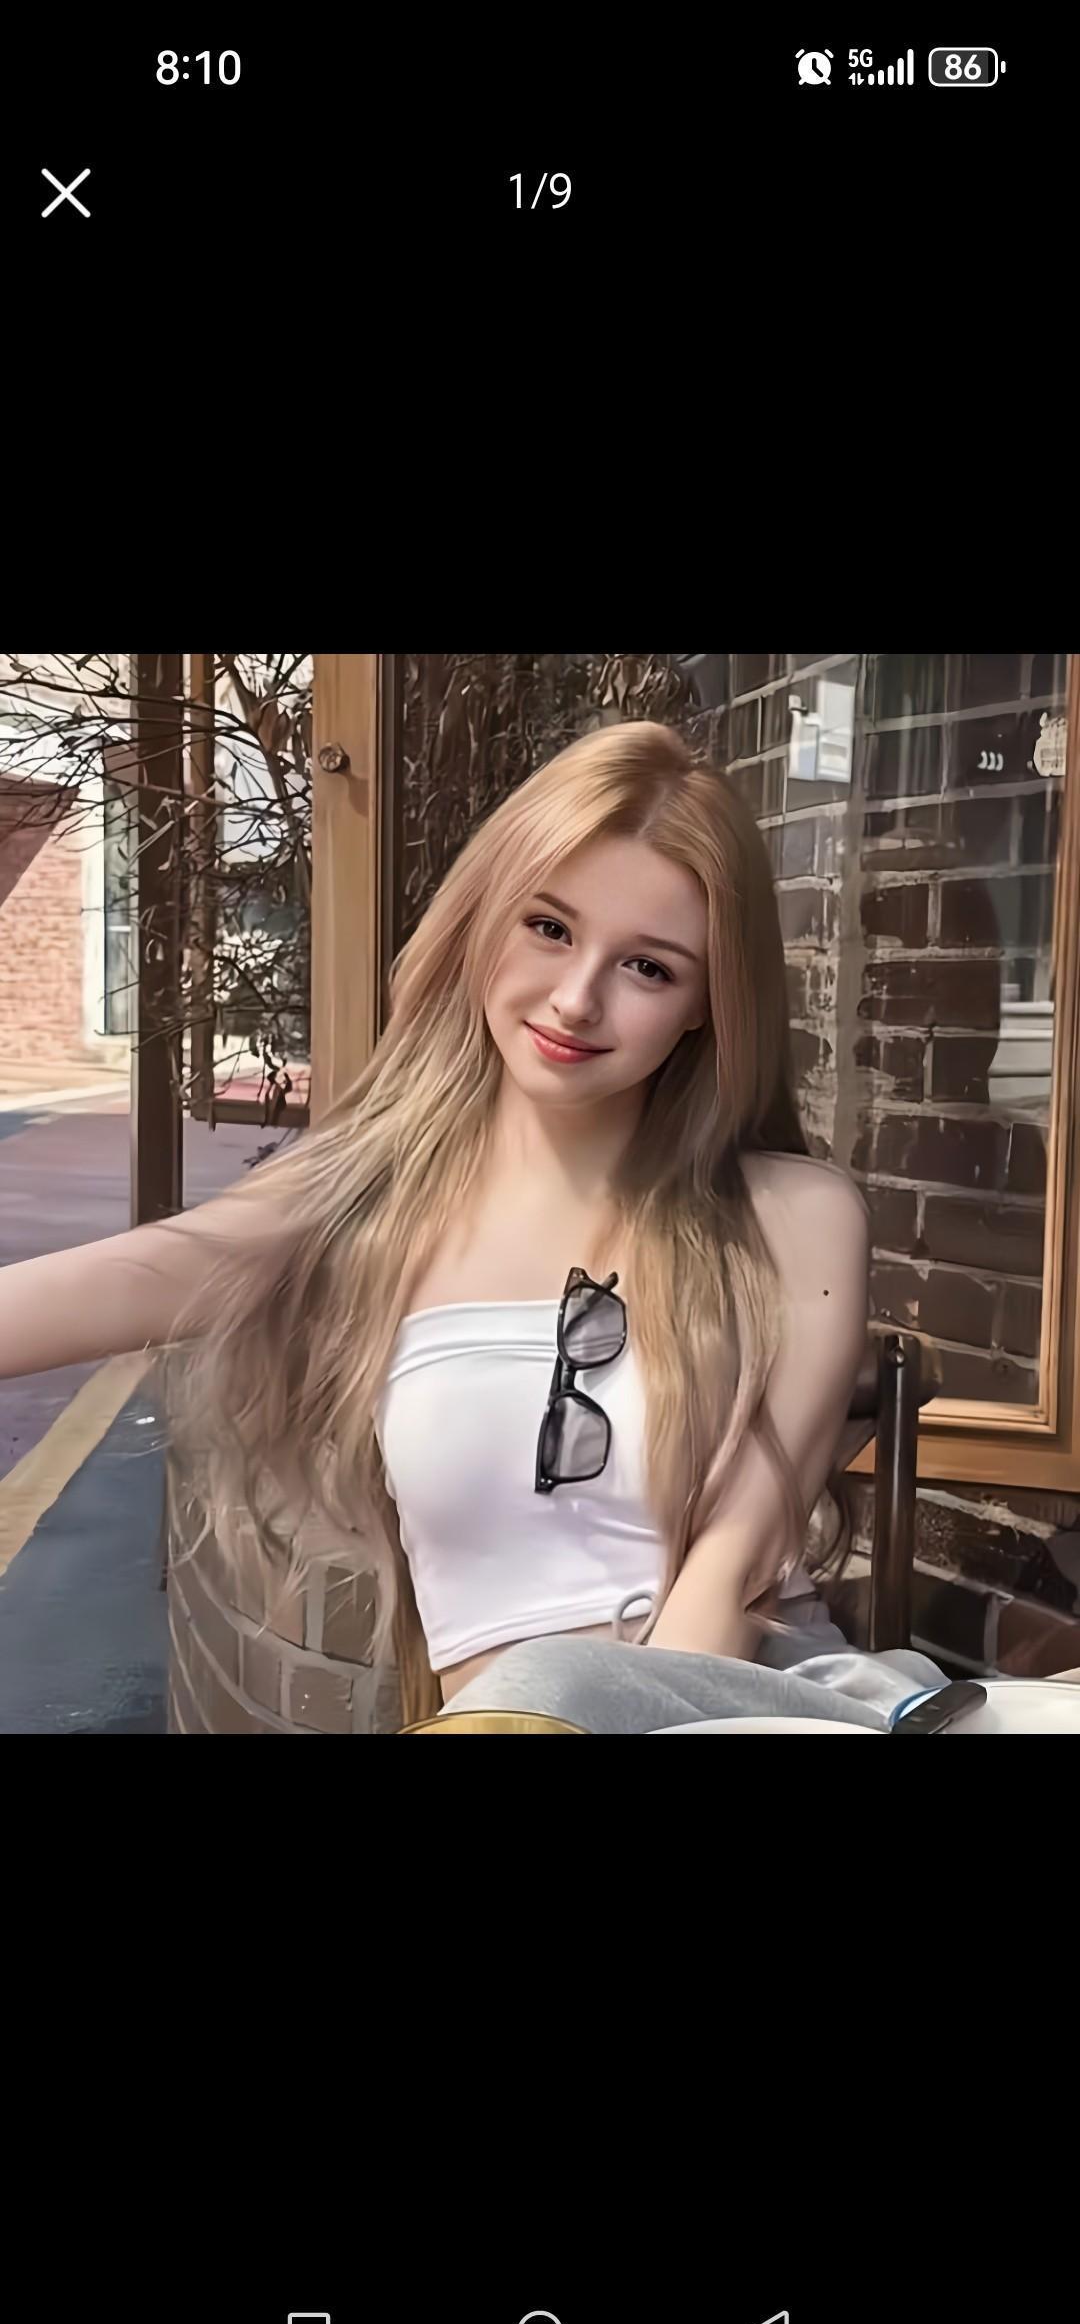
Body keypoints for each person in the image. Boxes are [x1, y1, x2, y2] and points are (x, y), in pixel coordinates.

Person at [0, 720, 947, 1732]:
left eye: (648, 968)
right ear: (484, 920)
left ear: (708, 1005)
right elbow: (85, 1292)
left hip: (750, 1706)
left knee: (551, 1691)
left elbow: (734, 1570)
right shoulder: (357, 1205)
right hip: (501, 1715)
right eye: (549, 928)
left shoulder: (793, 1217)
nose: (575, 1000)